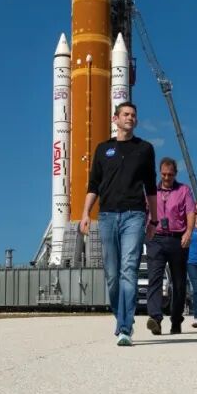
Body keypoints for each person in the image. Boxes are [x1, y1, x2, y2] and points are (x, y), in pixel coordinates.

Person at [79, 102, 158, 347]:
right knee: (112, 275)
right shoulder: (104, 149)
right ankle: (120, 315)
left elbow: (151, 187)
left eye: (133, 115)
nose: (130, 118)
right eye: (126, 114)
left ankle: (126, 327)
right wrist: (85, 213)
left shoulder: (145, 149)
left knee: (128, 270)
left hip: (134, 215)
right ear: (116, 119)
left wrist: (154, 219)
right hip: (107, 216)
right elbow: (94, 185)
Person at [145, 157, 196, 335]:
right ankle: (155, 318)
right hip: (156, 239)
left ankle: (176, 319)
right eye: (164, 174)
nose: (167, 178)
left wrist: (188, 232)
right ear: (160, 173)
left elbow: (191, 212)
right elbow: (144, 211)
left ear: (175, 174)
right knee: (155, 278)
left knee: (179, 283)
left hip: (177, 239)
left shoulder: (184, 190)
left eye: (170, 174)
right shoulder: (152, 191)